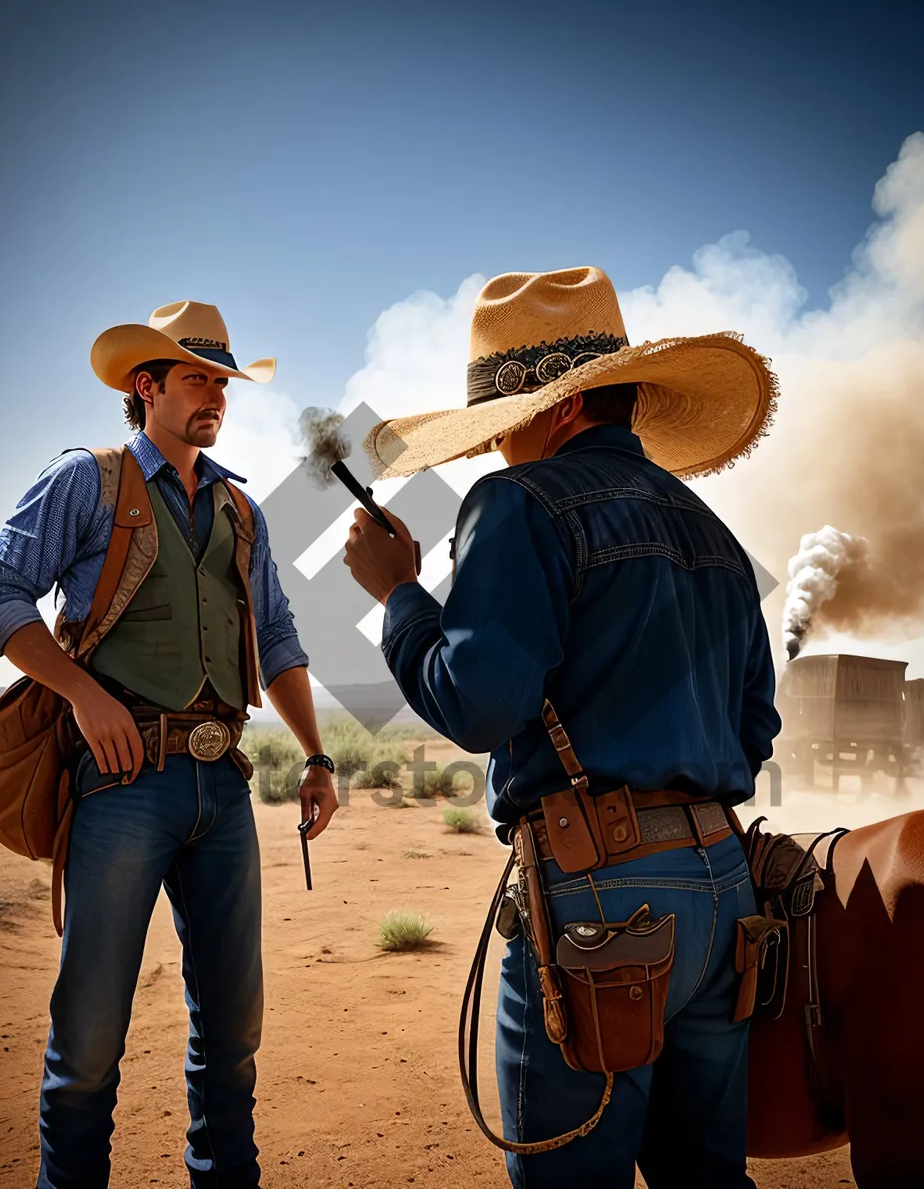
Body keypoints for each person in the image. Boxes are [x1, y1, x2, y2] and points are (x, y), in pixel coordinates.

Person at [343, 267, 781, 1188]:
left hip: (600, 899)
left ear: (557, 409)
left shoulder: (518, 505)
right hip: (723, 884)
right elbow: (754, 730)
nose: (498, 446)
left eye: (504, 421)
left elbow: (476, 704)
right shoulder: (713, 533)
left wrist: (398, 597)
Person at [0, 301, 339, 1189]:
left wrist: (319, 757)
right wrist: (84, 695)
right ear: (147, 386)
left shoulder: (240, 509)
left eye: (222, 381)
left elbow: (277, 639)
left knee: (234, 1033)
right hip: (122, 782)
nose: (215, 394)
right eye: (197, 378)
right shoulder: (86, 480)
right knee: (90, 1035)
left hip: (223, 783)